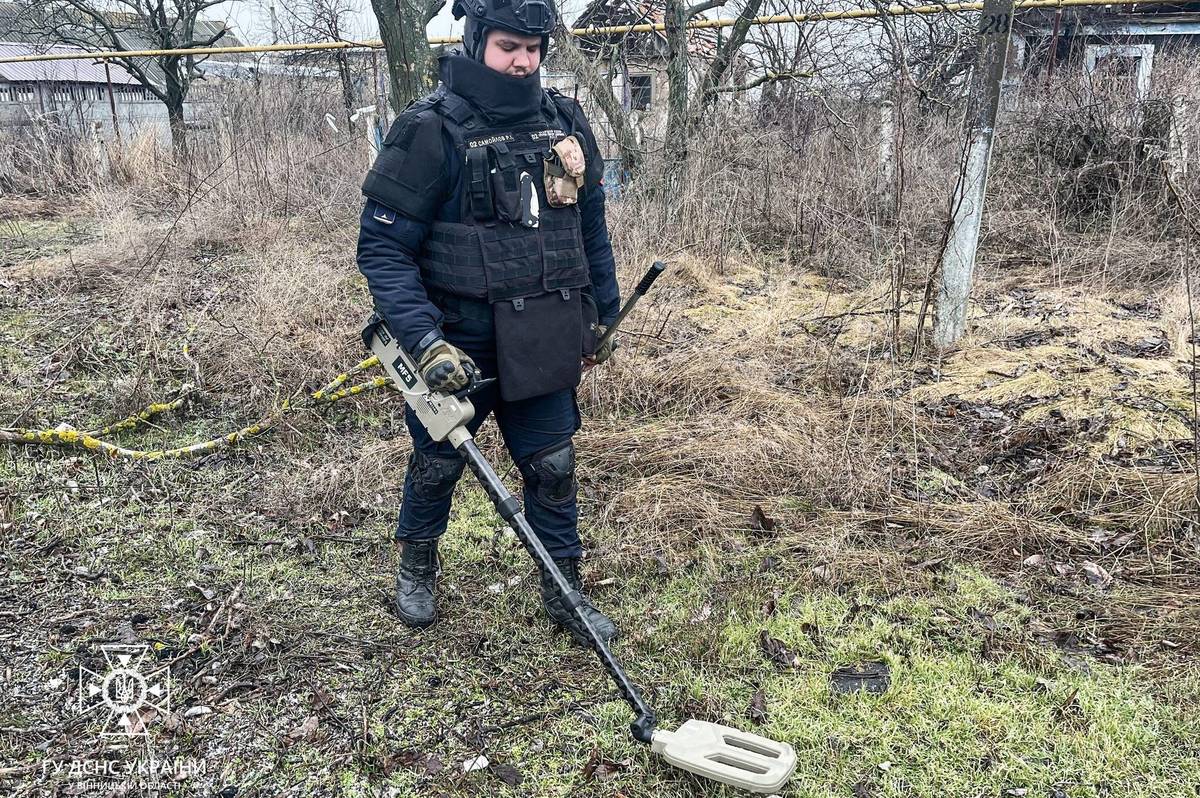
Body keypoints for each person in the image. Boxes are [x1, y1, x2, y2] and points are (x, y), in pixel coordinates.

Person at [355, 0, 621, 645]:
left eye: (533, 47)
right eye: (509, 46)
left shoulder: (565, 122)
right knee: (439, 462)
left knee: (553, 466)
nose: (523, 60)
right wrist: (423, 341)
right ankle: (416, 566)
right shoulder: (429, 130)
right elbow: (382, 248)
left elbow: (590, 229)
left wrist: (601, 317)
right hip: (457, 340)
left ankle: (565, 589)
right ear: (476, 42)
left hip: (545, 331)